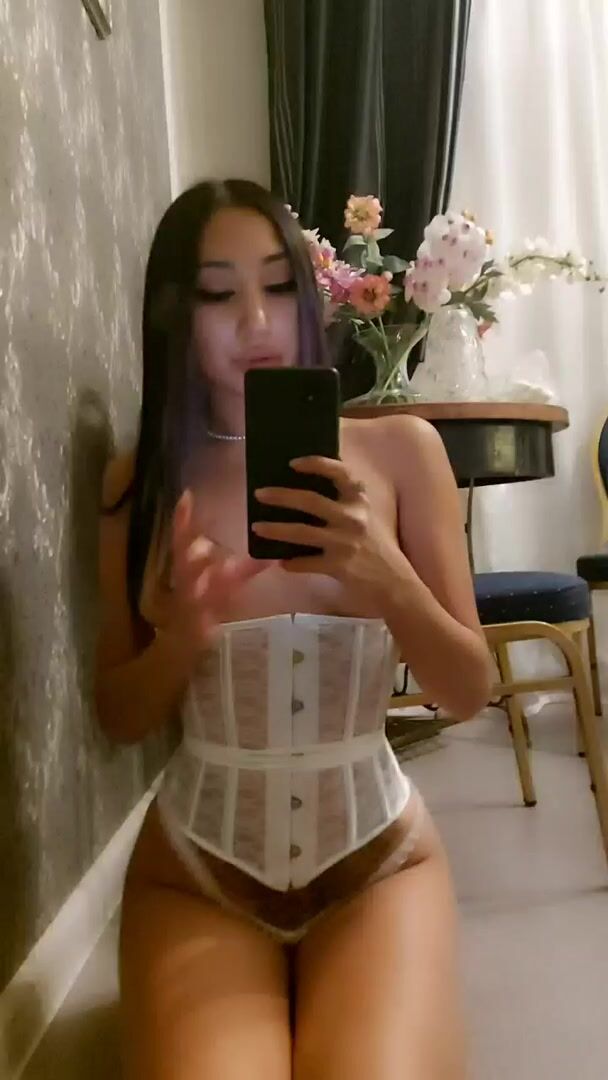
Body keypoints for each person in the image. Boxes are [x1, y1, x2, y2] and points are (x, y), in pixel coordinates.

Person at [95, 179, 492, 1080]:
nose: (255, 321)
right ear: (176, 313)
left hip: (377, 859)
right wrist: (182, 639)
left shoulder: (401, 453)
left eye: (278, 286)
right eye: (218, 294)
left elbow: (468, 690)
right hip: (198, 872)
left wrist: (386, 576)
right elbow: (118, 715)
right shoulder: (140, 482)